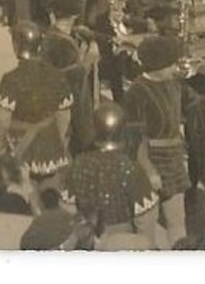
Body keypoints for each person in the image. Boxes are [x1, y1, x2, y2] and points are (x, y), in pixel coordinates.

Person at [121, 35, 194, 242]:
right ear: (156, 65)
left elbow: (194, 106)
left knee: (177, 220)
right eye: (170, 64)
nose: (174, 69)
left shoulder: (173, 84)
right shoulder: (137, 91)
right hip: (148, 161)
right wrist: (149, 171)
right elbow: (136, 139)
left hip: (174, 160)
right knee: (146, 225)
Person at [60, 102, 161, 246]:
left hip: (86, 239)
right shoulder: (131, 168)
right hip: (122, 241)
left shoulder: (79, 164)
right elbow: (145, 219)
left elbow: (67, 209)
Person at [0, 23, 73, 184]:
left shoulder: (12, 79)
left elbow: (1, 119)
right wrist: (57, 140)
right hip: (51, 149)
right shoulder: (58, 76)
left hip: (19, 147)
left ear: (17, 46)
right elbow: (64, 116)